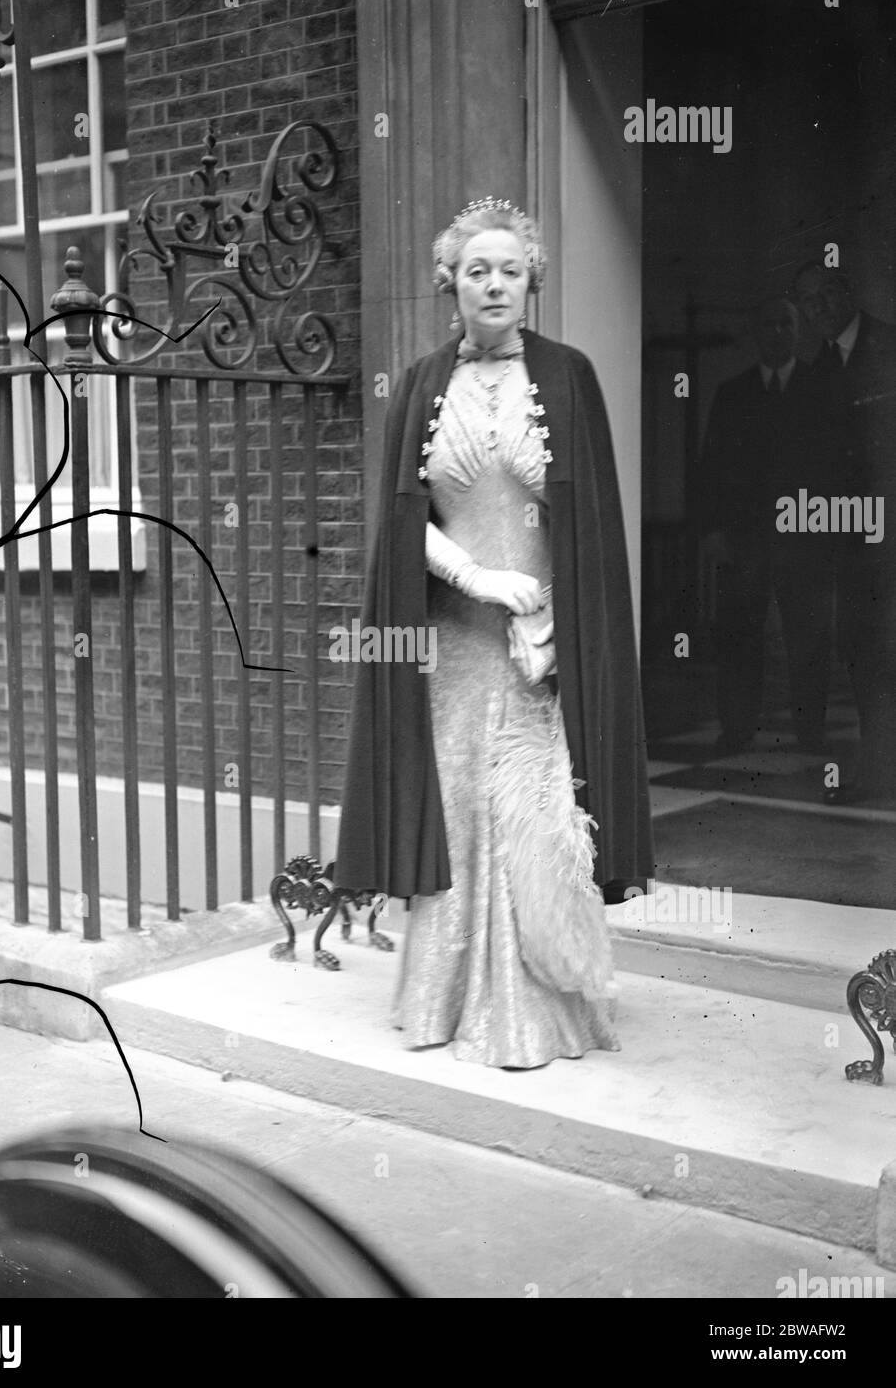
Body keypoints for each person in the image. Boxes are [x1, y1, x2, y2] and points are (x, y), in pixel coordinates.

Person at [332, 198, 653, 1070]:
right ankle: (443, 1001)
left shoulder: (569, 376)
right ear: (451, 284)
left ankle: (534, 1013)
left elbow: (584, 526)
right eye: (477, 270)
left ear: (533, 281)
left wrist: (549, 615)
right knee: (460, 806)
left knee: (533, 818)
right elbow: (404, 521)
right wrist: (480, 580)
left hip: (537, 647)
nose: (495, 283)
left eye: (511, 269)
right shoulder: (423, 382)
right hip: (455, 644)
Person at [696, 295, 834, 755]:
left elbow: (837, 469)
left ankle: (811, 732)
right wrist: (712, 531)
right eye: (769, 324)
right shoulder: (732, 394)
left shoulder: (820, 388)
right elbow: (711, 466)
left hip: (806, 536)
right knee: (738, 635)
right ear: (757, 334)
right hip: (744, 539)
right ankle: (736, 727)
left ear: (799, 331)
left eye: (786, 323)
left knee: (809, 636)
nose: (778, 332)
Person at [792, 263, 896, 802]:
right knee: (866, 655)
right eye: (808, 302)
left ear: (848, 292)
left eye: (827, 293)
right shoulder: (817, 369)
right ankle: (880, 773)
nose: (820, 307)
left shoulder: (888, 348)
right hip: (853, 543)